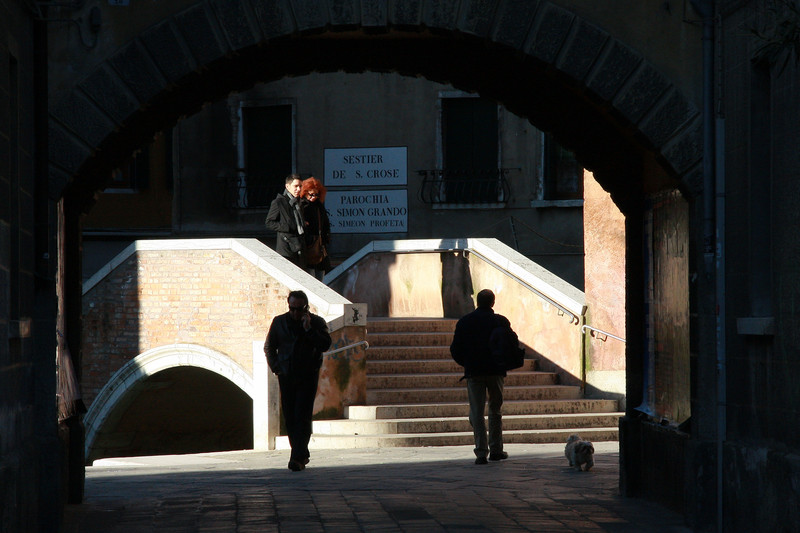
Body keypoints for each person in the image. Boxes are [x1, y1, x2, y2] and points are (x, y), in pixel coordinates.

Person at [264, 290, 332, 471]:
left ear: (306, 308)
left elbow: (325, 344)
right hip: (286, 375)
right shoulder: (279, 322)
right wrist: (276, 367)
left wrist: (309, 330)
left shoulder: (316, 323)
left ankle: (297, 458)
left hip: (307, 375)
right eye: (292, 309)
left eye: (299, 309)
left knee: (302, 414)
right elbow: (269, 346)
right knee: (290, 417)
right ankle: (301, 453)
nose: (295, 313)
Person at [450, 289, 512, 464]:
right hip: (496, 371)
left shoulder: (465, 322)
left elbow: (455, 349)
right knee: (495, 410)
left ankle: (481, 452)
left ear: (477, 302)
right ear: (492, 303)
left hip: (474, 372)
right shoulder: (500, 321)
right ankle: (496, 449)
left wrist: (467, 364)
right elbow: (510, 345)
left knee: (476, 412)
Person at [265, 174, 306, 268]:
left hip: (299, 246)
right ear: (287, 186)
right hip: (286, 248)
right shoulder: (279, 202)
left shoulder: (299, 202)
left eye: (300, 186)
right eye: (296, 186)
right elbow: (269, 223)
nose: (299, 189)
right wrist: (287, 226)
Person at [299, 177, 332, 280]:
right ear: (305, 192)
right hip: (309, 245)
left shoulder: (319, 206)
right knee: (310, 275)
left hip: (320, 244)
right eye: (311, 194)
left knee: (320, 275)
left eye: (316, 194)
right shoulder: (302, 206)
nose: (314, 197)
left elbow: (325, 223)